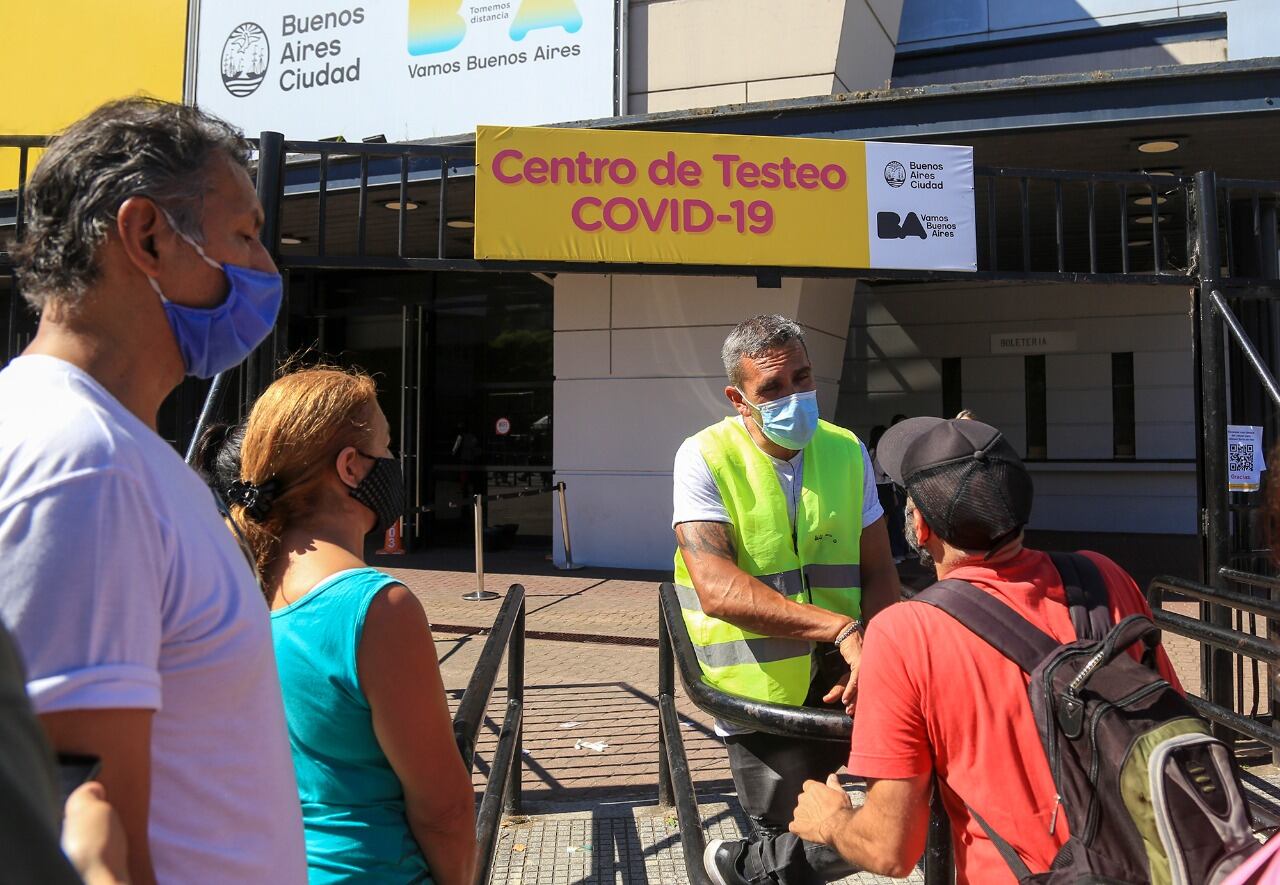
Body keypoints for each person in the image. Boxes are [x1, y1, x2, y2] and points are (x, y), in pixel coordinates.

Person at [0, 98, 305, 884]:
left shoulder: (120, 452)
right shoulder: (88, 466)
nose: (266, 268)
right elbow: (93, 827)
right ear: (146, 237)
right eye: (244, 235)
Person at [788, 417, 1182, 884]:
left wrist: (829, 819)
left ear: (918, 524)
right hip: (1154, 865)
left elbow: (890, 848)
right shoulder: (1102, 576)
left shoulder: (906, 632)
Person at [226, 367, 477, 883]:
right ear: (350, 467)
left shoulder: (238, 585)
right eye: (386, 448)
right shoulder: (379, 608)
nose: (394, 464)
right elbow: (445, 811)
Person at [673, 315, 900, 885]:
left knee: (886, 818)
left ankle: (737, 868)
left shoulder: (847, 450)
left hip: (845, 683)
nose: (794, 397)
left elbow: (879, 571)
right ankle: (743, 866)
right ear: (738, 397)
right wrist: (843, 632)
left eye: (802, 378)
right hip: (757, 689)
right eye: (772, 388)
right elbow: (717, 589)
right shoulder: (703, 455)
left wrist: (878, 656)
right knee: (786, 836)